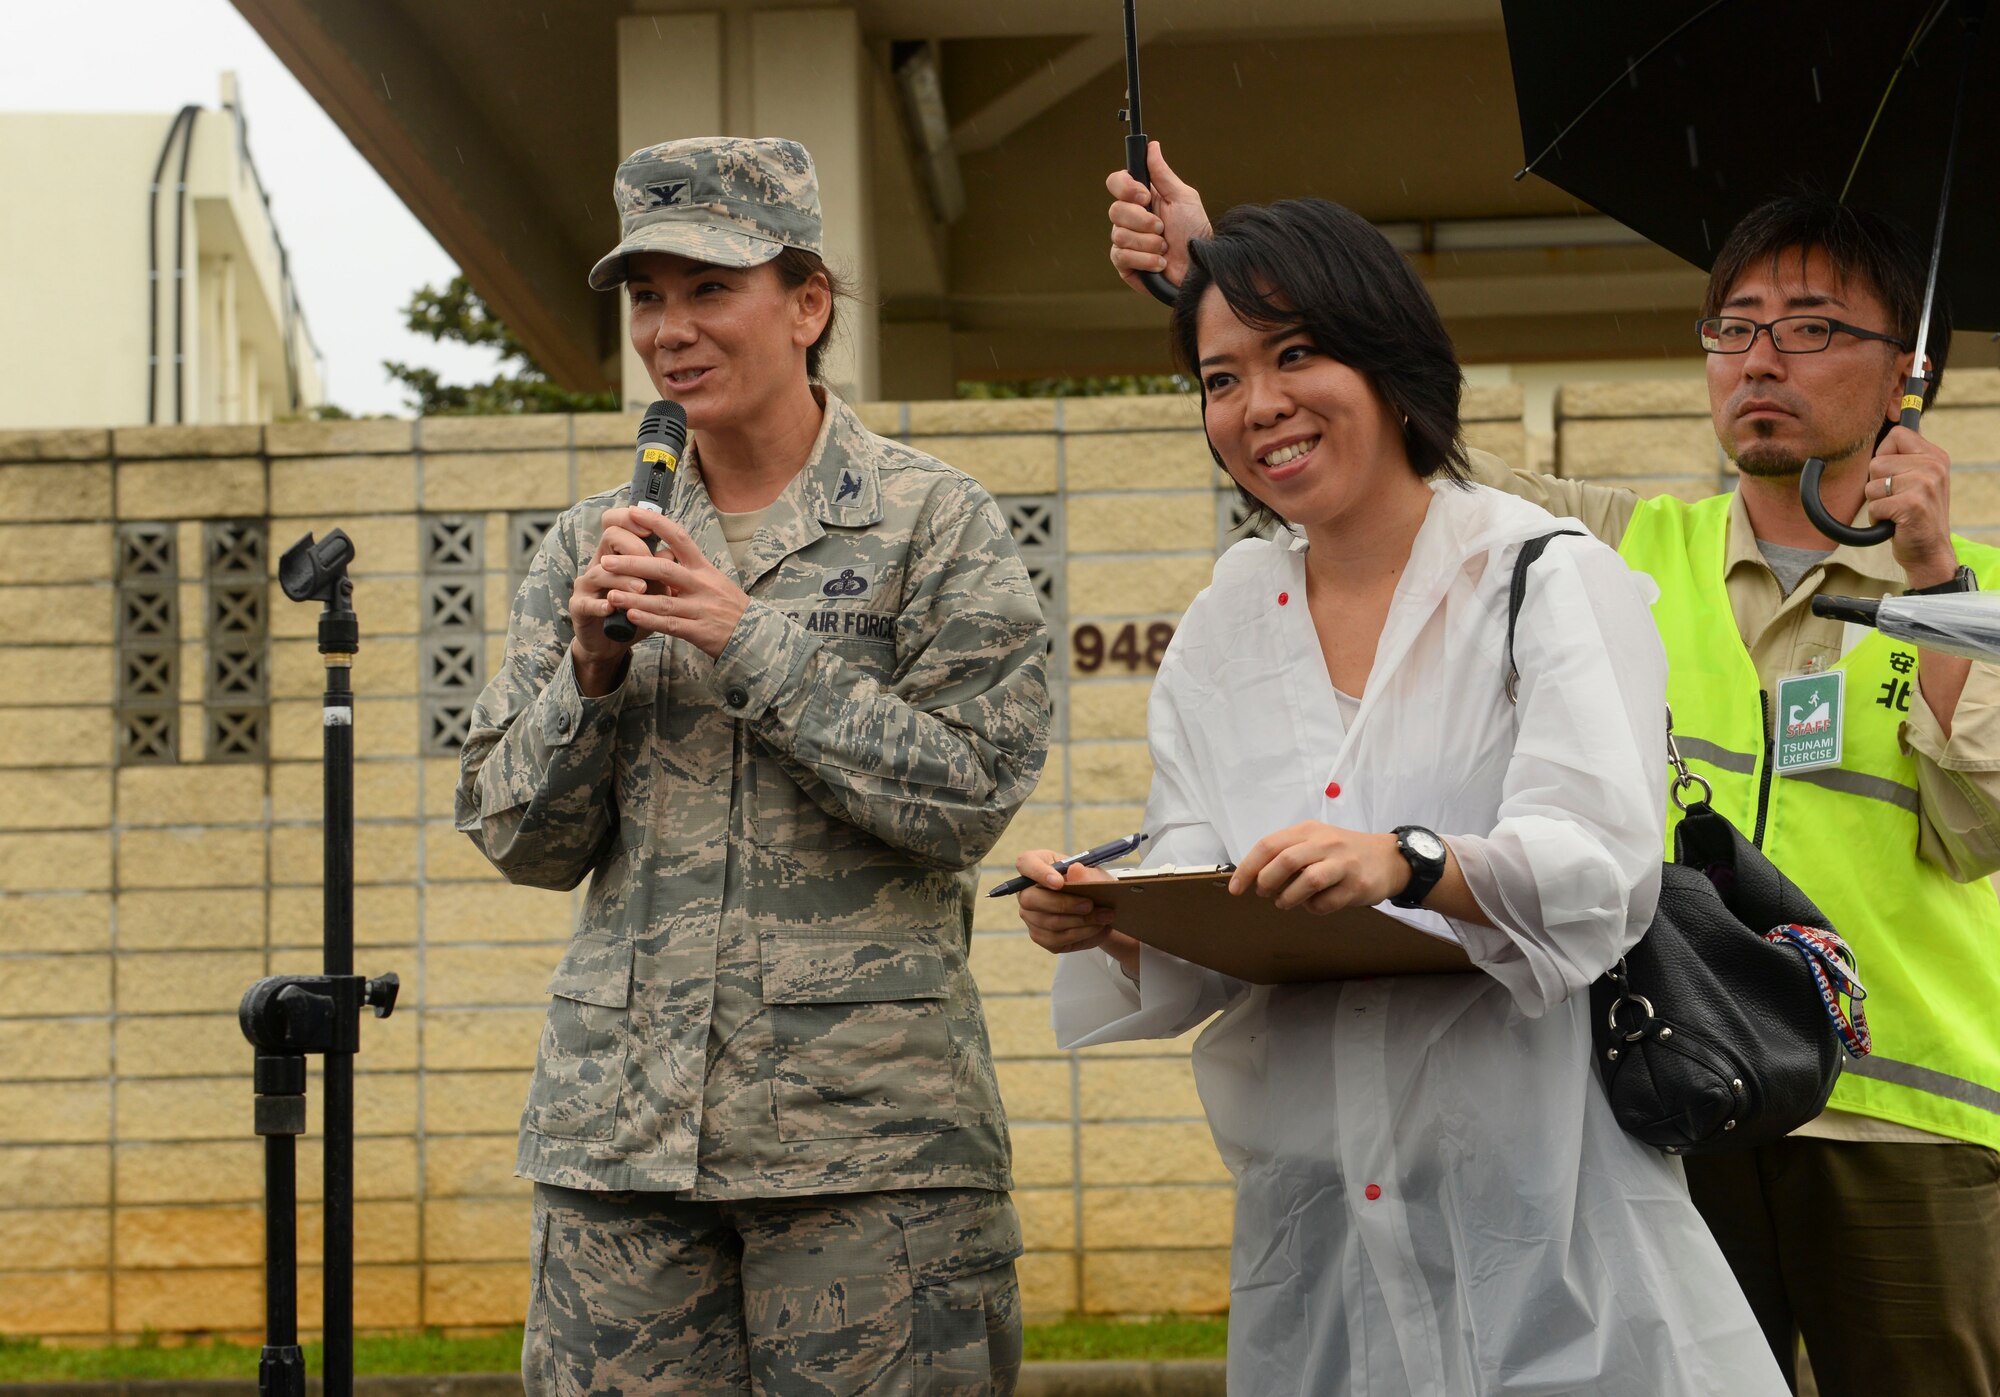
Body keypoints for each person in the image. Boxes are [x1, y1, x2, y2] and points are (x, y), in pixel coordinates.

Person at [1106, 151, 2000, 1395]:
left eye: (1808, 329)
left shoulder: (1972, 592)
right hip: (1679, 1072)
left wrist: (1934, 571)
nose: (1757, 360)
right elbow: (1399, 460)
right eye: (1732, 327)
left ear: (1909, 367)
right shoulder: (1624, 545)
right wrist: (1227, 278)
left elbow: (1980, 828)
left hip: (1900, 1114)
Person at [1019, 195, 1789, 1395]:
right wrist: (1117, 916)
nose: (1257, 405)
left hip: (1546, 1225)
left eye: (1295, 354)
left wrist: (1410, 860)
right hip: (1319, 1237)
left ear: (1389, 364)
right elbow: (1203, 862)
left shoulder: (1542, 575)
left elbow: (1599, 865)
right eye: (1218, 378)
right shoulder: (1223, 622)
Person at [457, 136, 1052, 1397]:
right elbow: (516, 835)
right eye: (645, 296)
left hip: (870, 1154)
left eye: (707, 288)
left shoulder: (932, 521)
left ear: (808, 301)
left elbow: (967, 796)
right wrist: (590, 678)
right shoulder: (591, 541)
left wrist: (748, 638)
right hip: (620, 1147)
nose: (669, 329)